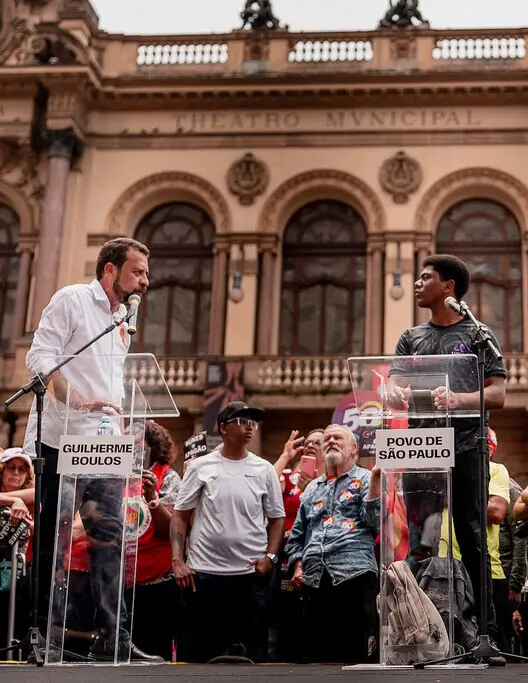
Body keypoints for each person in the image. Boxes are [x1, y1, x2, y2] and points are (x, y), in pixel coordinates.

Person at [23, 237, 160, 662]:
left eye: (145, 273)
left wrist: (122, 435)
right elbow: (40, 358)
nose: (145, 280)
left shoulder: (123, 316)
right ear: (109, 270)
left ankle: (113, 638)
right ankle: (41, 635)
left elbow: (113, 385)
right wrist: (76, 399)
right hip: (60, 441)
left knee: (110, 541)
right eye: (137, 271)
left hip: (104, 448)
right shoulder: (71, 300)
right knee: (51, 543)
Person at [388, 254, 506, 648]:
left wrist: (459, 400)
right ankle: (417, 631)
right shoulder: (411, 337)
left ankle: (484, 635)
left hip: (468, 443)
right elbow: (393, 384)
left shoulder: (477, 333)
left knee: (472, 535)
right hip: (422, 446)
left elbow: (498, 393)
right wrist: (396, 392)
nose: (418, 283)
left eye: (426, 277)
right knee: (422, 538)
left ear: (449, 287)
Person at [171, 401, 285, 663]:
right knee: (198, 658)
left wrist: (270, 557)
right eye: (242, 421)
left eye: (252, 423)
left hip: (250, 578)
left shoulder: (264, 469)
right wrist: (177, 560)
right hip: (204, 577)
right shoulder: (201, 467)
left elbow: (277, 519)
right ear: (223, 428)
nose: (249, 427)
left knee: (253, 659)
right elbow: (179, 515)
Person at [286, 424, 381, 664]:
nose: (331, 441)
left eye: (338, 438)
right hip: (315, 580)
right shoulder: (312, 489)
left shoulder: (367, 478)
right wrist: (297, 566)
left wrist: (378, 479)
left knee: (357, 658)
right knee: (316, 658)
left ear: (353, 449)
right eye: (327, 438)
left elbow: (374, 522)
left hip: (355, 575)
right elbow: (297, 535)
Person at [0, 449, 34, 651]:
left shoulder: (31, 499)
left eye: (22, 469)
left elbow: (35, 492)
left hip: (18, 575)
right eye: (11, 467)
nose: (16, 473)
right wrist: (13, 501)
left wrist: (17, 500)